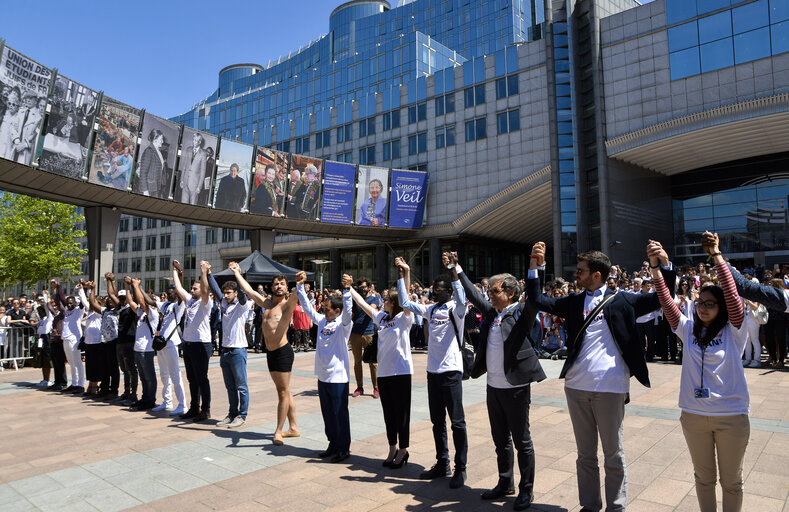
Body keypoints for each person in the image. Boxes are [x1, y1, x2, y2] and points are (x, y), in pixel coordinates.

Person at [525, 241, 676, 512]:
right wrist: (536, 266)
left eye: (580, 270)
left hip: (611, 387)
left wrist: (663, 265)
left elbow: (663, 297)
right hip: (576, 387)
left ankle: (616, 507)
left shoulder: (625, 300)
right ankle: (589, 506)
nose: (576, 274)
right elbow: (537, 300)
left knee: (613, 454)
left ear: (597, 274)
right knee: (585, 455)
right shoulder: (572, 302)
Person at [648, 235, 750, 512]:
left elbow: (731, 294)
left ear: (722, 309)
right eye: (699, 303)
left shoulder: (735, 330)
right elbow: (667, 303)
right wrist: (658, 270)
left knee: (732, 482)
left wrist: (716, 256)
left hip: (731, 416)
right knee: (704, 479)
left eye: (710, 303)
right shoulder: (688, 329)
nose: (702, 307)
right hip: (693, 415)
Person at [453, 253, 546, 509]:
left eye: (495, 291)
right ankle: (505, 482)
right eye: (490, 291)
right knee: (500, 440)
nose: (490, 295)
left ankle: (526, 490)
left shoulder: (521, 314)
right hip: (493, 387)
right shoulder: (492, 313)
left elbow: (536, 297)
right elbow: (472, 294)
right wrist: (457, 267)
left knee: (522, 441)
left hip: (515, 388)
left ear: (511, 294)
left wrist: (536, 267)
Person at [396, 256, 469, 489]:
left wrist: (453, 271)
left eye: (439, 290)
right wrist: (402, 276)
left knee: (457, 422)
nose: (434, 293)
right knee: (437, 421)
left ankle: (461, 468)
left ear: (448, 290)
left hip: (451, 372)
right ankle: (442, 462)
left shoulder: (456, 310)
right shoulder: (430, 309)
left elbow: (461, 296)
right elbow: (406, 303)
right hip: (432, 372)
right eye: (433, 290)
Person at [349, 279, 413, 468]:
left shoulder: (404, 318)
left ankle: (403, 450)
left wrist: (404, 275)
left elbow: (406, 299)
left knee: (402, 414)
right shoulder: (382, 318)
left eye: (386, 299)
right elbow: (361, 303)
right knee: (389, 414)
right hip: (384, 374)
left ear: (393, 302)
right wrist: (349, 288)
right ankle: (392, 448)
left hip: (401, 372)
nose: (382, 301)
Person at [232, 266, 301, 443]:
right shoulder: (267, 304)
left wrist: (300, 282)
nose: (279, 286)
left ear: (286, 287)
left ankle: (278, 431)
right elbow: (248, 290)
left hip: (283, 352)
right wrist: (237, 273)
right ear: (271, 287)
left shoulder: (287, 304)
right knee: (284, 390)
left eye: (282, 284)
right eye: (276, 284)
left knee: (283, 392)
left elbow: (295, 293)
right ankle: (293, 427)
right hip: (270, 353)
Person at [295, 271, 353, 463]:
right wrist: (300, 287)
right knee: (327, 414)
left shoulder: (343, 324)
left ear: (337, 311)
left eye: (328, 308)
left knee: (339, 414)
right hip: (323, 376)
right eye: (325, 307)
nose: (324, 310)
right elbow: (306, 308)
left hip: (338, 377)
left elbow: (349, 312)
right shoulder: (321, 321)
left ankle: (344, 448)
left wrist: (347, 290)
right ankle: (332, 444)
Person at [206, 262, 254, 429]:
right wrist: (208, 272)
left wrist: (237, 274)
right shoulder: (224, 304)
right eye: (225, 293)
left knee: (241, 386)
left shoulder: (242, 305)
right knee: (230, 387)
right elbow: (215, 290)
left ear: (235, 293)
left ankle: (242, 415)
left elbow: (242, 294)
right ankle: (232, 413)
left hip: (238, 351)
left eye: (229, 293)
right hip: (225, 352)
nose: (225, 296)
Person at [172, 259, 214, 422]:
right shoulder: (190, 302)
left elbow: (204, 289)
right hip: (188, 344)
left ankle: (206, 410)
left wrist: (204, 272)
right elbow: (178, 288)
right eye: (192, 288)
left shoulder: (205, 303)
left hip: (201, 345)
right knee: (191, 379)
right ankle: (194, 407)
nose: (191, 290)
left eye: (194, 288)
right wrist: (175, 271)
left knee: (202, 378)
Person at [152, 284, 187, 415]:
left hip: (172, 343)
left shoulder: (178, 305)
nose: (169, 295)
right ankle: (167, 402)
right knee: (164, 375)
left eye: (172, 292)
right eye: (167, 293)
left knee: (175, 375)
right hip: (161, 344)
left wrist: (179, 275)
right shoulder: (165, 305)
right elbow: (151, 301)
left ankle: (182, 405)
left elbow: (181, 292)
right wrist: (137, 287)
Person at [127, 277, 159, 410]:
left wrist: (137, 286)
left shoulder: (153, 314)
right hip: (138, 349)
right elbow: (131, 301)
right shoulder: (141, 314)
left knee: (149, 376)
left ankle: (150, 399)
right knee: (143, 376)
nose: (141, 304)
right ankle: (145, 398)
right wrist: (128, 285)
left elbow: (141, 301)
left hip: (147, 349)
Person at [106, 276, 138, 405]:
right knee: (124, 369)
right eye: (121, 298)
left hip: (130, 341)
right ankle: (126, 392)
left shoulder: (133, 308)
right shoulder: (120, 307)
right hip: (120, 342)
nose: (122, 300)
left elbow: (133, 297)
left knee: (132, 369)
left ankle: (133, 395)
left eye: (124, 298)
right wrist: (110, 280)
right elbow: (111, 294)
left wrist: (128, 285)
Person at [52, 279, 86, 394]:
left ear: (75, 303)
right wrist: (58, 286)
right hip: (66, 339)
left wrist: (83, 288)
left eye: (72, 302)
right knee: (71, 363)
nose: (69, 304)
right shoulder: (67, 310)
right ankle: (74, 383)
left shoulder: (78, 310)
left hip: (74, 339)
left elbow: (83, 303)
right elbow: (61, 299)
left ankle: (81, 385)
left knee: (77, 362)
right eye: (68, 303)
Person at [349, 277, 381, 398]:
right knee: (357, 362)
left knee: (373, 363)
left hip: (369, 333)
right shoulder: (355, 301)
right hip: (355, 333)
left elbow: (372, 309)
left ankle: (376, 387)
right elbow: (351, 315)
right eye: (360, 287)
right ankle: (359, 387)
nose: (362, 289)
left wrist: (359, 301)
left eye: (364, 287)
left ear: (369, 287)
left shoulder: (374, 298)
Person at [80, 282, 105, 397]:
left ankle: (94, 386)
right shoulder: (90, 313)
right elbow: (86, 301)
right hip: (88, 343)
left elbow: (92, 301)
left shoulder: (100, 312)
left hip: (97, 342)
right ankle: (90, 384)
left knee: (96, 365)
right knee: (89, 365)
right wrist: (83, 289)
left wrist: (92, 291)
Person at [180, 132, 207, 205]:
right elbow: (184, 166)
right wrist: (182, 180)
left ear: (200, 142)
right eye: (193, 140)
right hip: (185, 182)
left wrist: (199, 186)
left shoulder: (203, 154)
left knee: (192, 206)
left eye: (196, 140)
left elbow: (202, 172)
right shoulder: (188, 149)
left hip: (195, 185)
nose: (193, 142)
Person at [138, 129, 166, 197]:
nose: (163, 141)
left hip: (155, 187)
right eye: (161, 139)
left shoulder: (158, 152)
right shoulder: (148, 151)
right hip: (149, 189)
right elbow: (143, 172)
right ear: (155, 140)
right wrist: (145, 191)